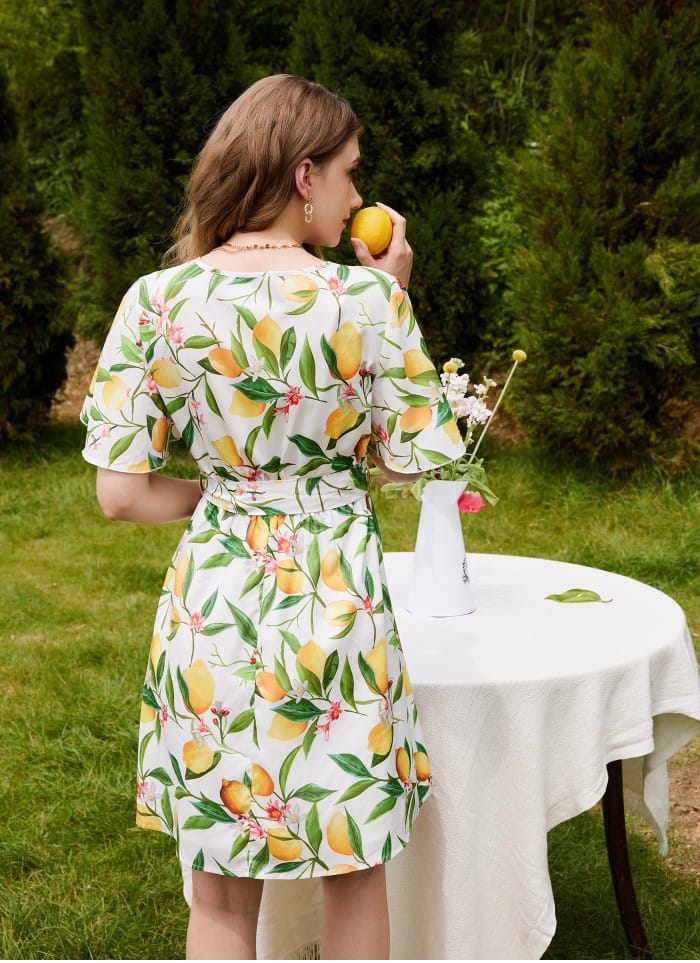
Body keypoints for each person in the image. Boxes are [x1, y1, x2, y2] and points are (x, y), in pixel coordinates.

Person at [81, 73, 465, 960]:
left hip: (213, 612)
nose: (359, 197)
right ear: (303, 177)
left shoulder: (157, 301)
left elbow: (121, 492)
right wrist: (395, 297)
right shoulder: (364, 301)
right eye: (349, 174)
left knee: (217, 898)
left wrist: (225, 496)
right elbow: (422, 457)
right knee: (354, 871)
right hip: (338, 606)